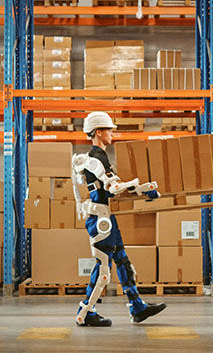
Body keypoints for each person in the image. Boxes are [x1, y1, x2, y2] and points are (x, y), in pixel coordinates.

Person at [71, 111, 167, 327]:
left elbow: (115, 187)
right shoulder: (96, 158)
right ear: (98, 132)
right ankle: (85, 311)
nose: (112, 133)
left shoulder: (97, 157)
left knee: (122, 261)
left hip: (105, 217)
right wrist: (141, 185)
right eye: (108, 130)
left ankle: (137, 307)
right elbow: (112, 188)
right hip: (100, 219)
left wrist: (143, 190)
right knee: (103, 269)